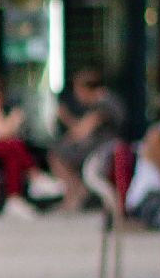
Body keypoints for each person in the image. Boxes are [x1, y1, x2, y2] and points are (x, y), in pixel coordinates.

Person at [46, 67, 124, 212]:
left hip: (103, 151)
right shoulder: (104, 101)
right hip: (101, 149)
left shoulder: (104, 103)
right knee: (61, 152)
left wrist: (65, 117)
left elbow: (81, 131)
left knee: (60, 156)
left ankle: (77, 195)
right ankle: (75, 195)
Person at [0, 75, 39, 215]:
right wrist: (14, 118)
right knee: (14, 146)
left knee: (14, 154)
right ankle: (33, 177)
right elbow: (3, 131)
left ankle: (16, 195)